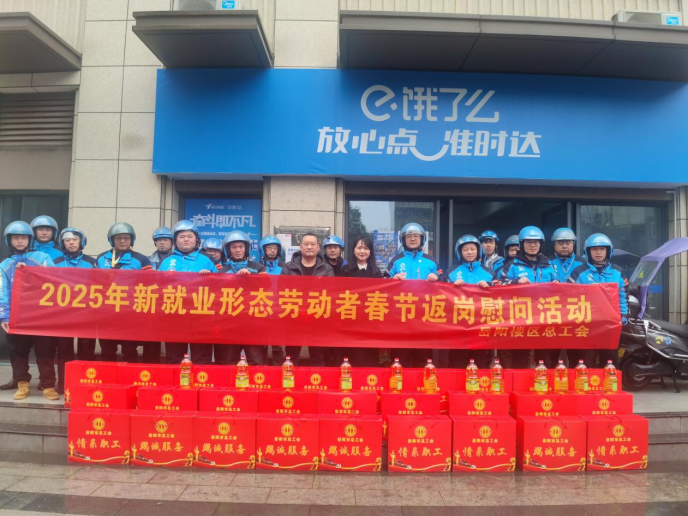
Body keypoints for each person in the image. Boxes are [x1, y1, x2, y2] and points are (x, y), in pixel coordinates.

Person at [0, 221, 58, 400]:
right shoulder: (5, 265)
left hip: (40, 316)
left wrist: (31, 271)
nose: (19, 241)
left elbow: (54, 280)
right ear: (9, 241)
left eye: (23, 238)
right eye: (15, 238)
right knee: (17, 351)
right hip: (17, 316)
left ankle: (48, 385)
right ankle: (22, 384)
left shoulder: (42, 258)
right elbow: (2, 292)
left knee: (45, 350)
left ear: (29, 240)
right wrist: (4, 317)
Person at [158, 220, 217, 365]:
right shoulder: (166, 260)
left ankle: (201, 379)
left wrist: (210, 278)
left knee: (202, 356)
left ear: (196, 239)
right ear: (175, 240)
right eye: (182, 236)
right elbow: (156, 286)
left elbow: (221, 285)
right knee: (174, 356)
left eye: (190, 236)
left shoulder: (207, 259)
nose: (186, 239)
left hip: (201, 314)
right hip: (174, 314)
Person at [500, 226, 559, 368]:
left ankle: (543, 381)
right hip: (520, 317)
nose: (533, 245)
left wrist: (557, 285)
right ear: (522, 244)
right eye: (529, 242)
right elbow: (499, 284)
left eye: (536, 242)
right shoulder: (512, 265)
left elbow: (559, 289)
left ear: (541, 244)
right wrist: (515, 281)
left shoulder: (549, 265)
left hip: (544, 318)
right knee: (521, 357)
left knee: (545, 360)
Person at [385, 223, 441, 367]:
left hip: (424, 317)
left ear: (422, 239)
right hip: (400, 317)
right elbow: (383, 283)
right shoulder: (396, 261)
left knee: (423, 359)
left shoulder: (431, 261)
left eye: (416, 236)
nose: (412, 239)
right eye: (409, 236)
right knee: (399, 359)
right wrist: (393, 279)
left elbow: (444, 281)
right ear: (403, 240)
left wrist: (437, 277)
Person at [96, 223, 154, 363]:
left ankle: (130, 375)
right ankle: (108, 375)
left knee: (130, 350)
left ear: (132, 240)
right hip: (106, 312)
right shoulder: (101, 258)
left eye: (126, 238)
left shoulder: (141, 260)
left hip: (129, 313)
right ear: (112, 240)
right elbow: (94, 282)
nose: (122, 241)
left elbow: (149, 285)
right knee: (107, 350)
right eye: (118, 238)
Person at [569, 233, 629, 367]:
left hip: (611, 324)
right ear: (588, 251)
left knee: (610, 362)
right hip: (588, 325)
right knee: (586, 362)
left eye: (602, 249)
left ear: (608, 251)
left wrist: (624, 314)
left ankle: (608, 381)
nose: (598, 252)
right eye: (594, 249)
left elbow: (622, 295)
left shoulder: (617, 271)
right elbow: (570, 297)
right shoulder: (578, 272)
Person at [53, 227, 97, 391]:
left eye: (74, 239)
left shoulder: (92, 262)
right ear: (63, 243)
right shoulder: (55, 263)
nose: (71, 243)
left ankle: (85, 383)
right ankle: (64, 384)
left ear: (81, 242)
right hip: (63, 313)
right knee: (64, 349)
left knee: (87, 349)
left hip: (87, 313)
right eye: (67, 240)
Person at [282, 233, 334, 366]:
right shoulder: (288, 267)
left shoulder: (327, 268)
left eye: (312, 244)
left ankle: (318, 379)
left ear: (318, 247)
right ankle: (289, 379)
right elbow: (282, 290)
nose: (309, 247)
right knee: (291, 357)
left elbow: (330, 292)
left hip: (318, 317)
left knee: (318, 356)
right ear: (300, 247)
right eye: (306, 244)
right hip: (294, 317)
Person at [217, 230, 266, 365]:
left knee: (256, 360)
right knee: (229, 361)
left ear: (247, 249)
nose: (238, 250)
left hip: (253, 323)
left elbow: (267, 287)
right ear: (228, 250)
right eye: (234, 247)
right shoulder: (223, 271)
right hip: (230, 323)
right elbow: (218, 294)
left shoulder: (258, 267)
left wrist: (251, 277)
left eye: (241, 247)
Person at [446, 235, 496, 369]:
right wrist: (451, 287)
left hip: (482, 326)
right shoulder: (451, 272)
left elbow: (500, 295)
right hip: (458, 327)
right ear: (459, 252)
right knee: (457, 363)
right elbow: (441, 295)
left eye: (473, 249)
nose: (469, 252)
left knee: (481, 363)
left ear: (478, 251)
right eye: (465, 249)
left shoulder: (489, 273)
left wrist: (489, 286)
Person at [341, 235, 383, 367]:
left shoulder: (376, 272)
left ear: (370, 251)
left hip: (371, 320)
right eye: (359, 248)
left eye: (366, 248)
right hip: (351, 320)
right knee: (352, 355)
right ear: (353, 250)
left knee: (370, 356)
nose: (362, 251)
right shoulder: (345, 270)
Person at [258, 235, 286, 364]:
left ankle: (278, 368)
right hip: (261, 308)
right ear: (263, 250)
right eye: (269, 248)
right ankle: (261, 369)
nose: (272, 251)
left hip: (278, 309)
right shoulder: (257, 267)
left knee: (277, 345)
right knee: (261, 344)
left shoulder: (284, 267)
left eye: (275, 248)